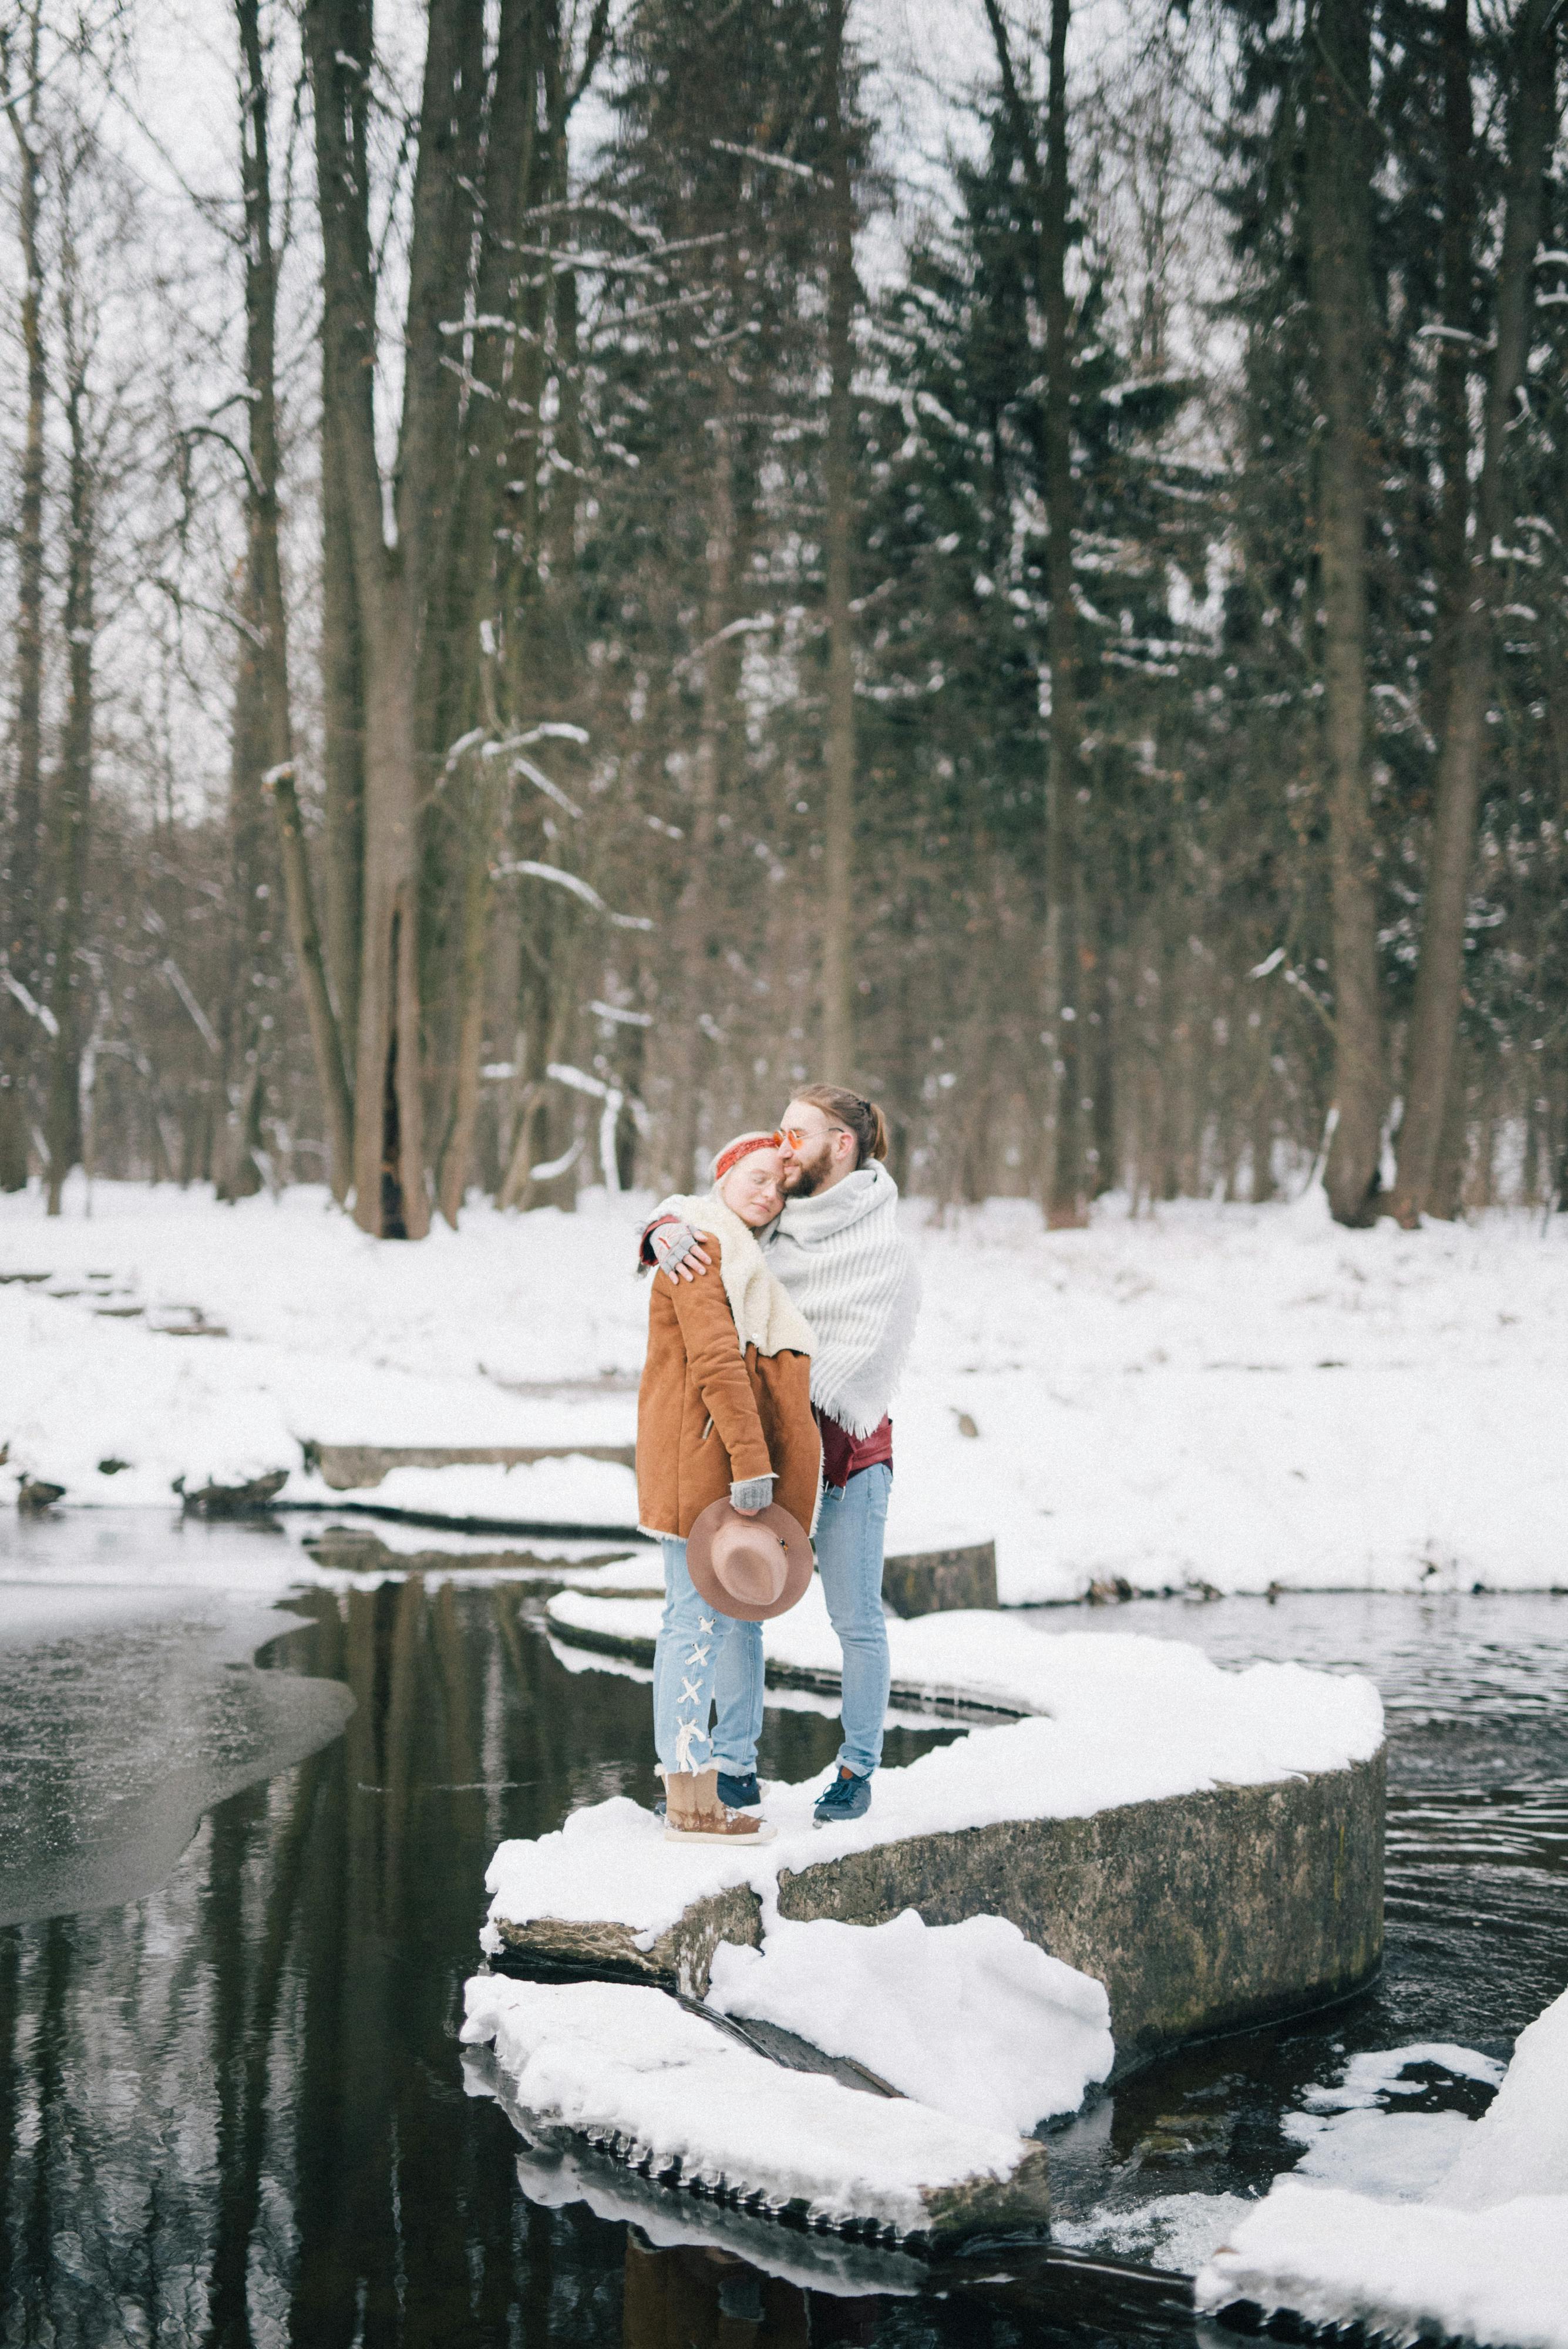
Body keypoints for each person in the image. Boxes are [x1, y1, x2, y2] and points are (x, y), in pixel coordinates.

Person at [644, 1086, 920, 1826]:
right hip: (770, 1455)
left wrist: (795, 1387)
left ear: (841, 1144)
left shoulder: (887, 1250)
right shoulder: (772, 1222)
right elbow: (710, 1214)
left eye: (796, 1133)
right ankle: (734, 1769)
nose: (782, 1145)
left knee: (855, 1618)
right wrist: (661, 1228)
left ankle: (857, 1769)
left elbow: (855, 1360)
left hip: (851, 1456)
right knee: (740, 1609)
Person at [636, 1131, 822, 1846]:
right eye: (756, 1177)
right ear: (723, 1177)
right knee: (693, 1623)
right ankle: (689, 1800)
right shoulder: (700, 1247)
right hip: (704, 1466)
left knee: (736, 1619)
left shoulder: (740, 1255)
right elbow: (717, 1360)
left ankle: (730, 1774)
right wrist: (750, 1462)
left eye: (779, 1186)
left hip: (719, 1464)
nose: (769, 1193)